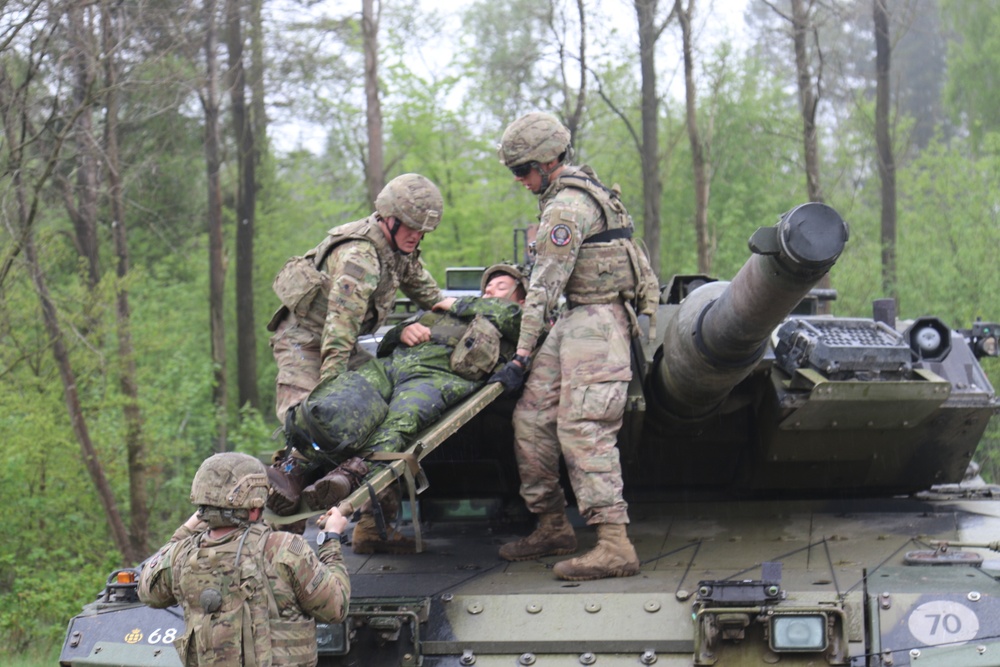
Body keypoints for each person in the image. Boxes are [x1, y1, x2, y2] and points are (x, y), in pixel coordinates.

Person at [490, 112, 659, 581]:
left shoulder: (567, 207)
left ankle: (614, 545)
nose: (521, 181)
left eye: (523, 171)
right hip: (576, 317)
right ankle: (552, 525)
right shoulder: (576, 194)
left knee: (583, 426)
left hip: (598, 321)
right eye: (515, 172)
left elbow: (544, 285)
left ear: (548, 161)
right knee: (531, 417)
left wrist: (521, 355)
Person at [280, 264, 528, 554]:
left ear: (520, 298)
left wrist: (458, 302)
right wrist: (403, 331)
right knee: (336, 403)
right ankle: (293, 470)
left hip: (436, 377)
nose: (490, 290)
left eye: (501, 287)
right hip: (393, 366)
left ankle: (348, 477)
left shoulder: (516, 316)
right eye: (487, 286)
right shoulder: (443, 313)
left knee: (398, 424)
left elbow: (514, 318)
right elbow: (386, 344)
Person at [266, 173, 445, 520]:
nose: (416, 235)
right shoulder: (360, 256)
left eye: (422, 230)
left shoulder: (397, 249)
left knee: (386, 412)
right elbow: (340, 328)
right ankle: (286, 493)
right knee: (313, 422)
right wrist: (334, 393)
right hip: (305, 340)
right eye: (410, 226)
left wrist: (467, 311)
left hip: (340, 341)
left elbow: (431, 295)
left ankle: (374, 527)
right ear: (388, 218)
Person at [137, 452, 350, 667]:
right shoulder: (283, 549)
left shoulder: (181, 555)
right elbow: (336, 608)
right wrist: (330, 538)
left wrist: (188, 528)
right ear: (256, 505)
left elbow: (148, 590)